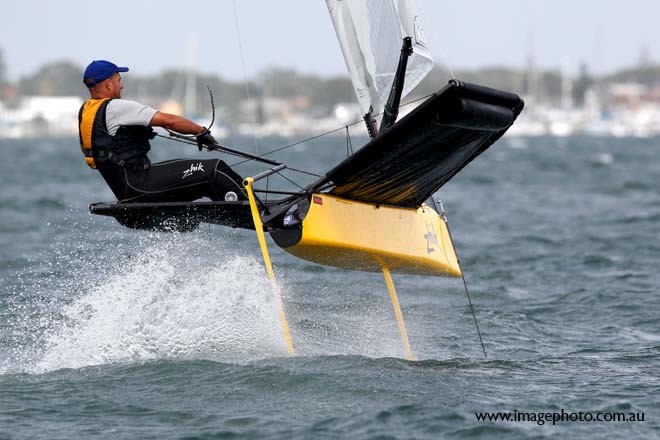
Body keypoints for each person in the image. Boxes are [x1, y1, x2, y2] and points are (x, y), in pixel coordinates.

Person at [78, 59, 245, 203]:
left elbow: (110, 145)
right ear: (108, 83)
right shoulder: (115, 107)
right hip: (141, 187)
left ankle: (235, 204)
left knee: (204, 179)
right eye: (119, 80)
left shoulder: (87, 112)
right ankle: (257, 210)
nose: (121, 86)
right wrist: (201, 132)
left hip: (127, 192)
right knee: (215, 169)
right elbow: (170, 121)